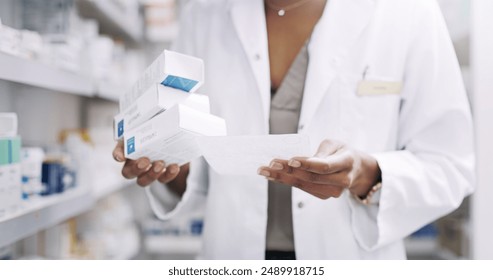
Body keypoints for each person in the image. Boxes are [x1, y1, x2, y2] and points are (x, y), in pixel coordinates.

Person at [113, 0, 475, 259]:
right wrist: (165, 164)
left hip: (348, 255)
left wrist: (365, 175)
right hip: (232, 256)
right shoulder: (204, 15)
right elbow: (197, 163)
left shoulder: (406, 12)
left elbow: (450, 165)